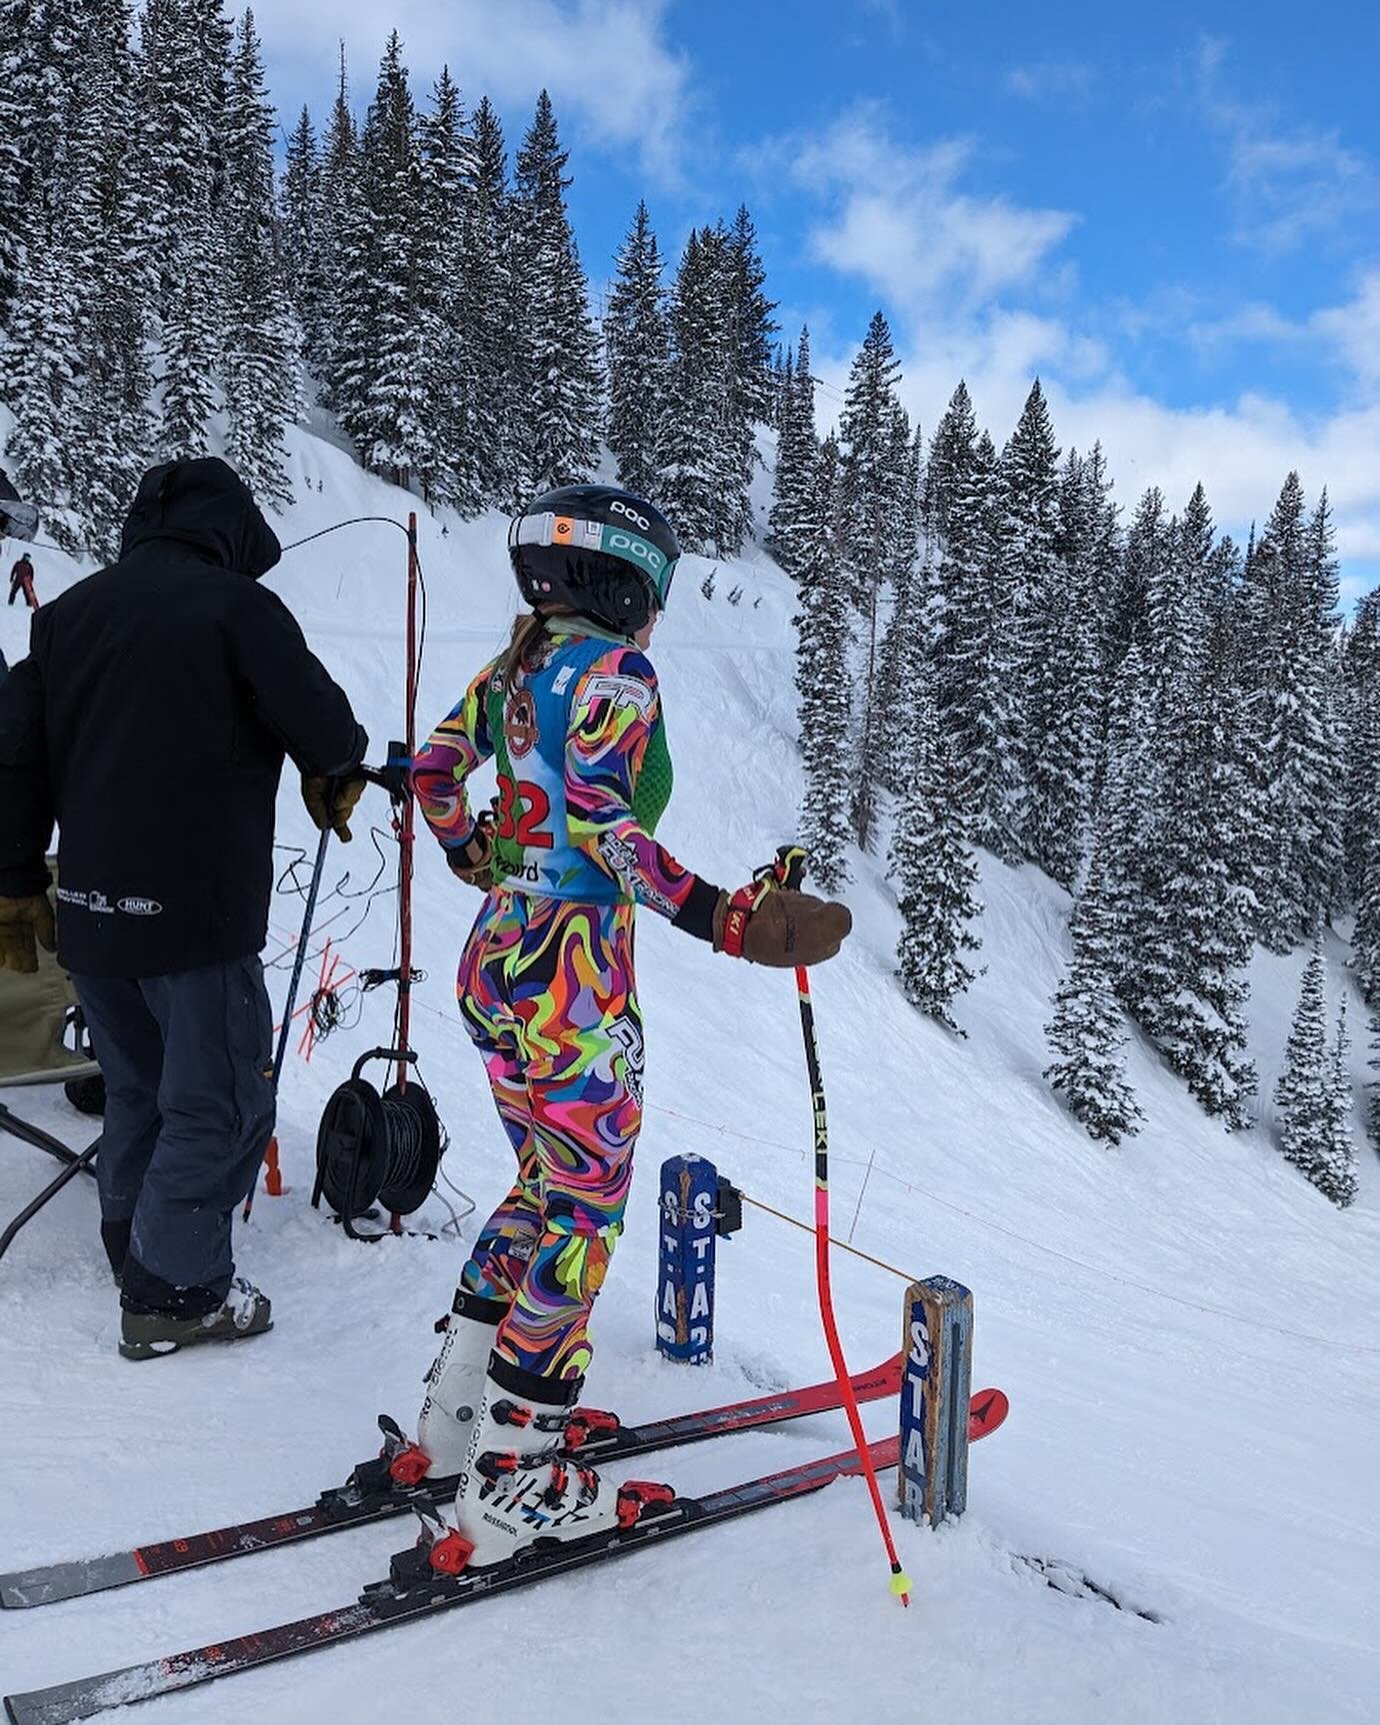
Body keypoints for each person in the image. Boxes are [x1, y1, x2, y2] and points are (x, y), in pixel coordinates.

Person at [402, 484, 852, 1573]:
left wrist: (478, 858)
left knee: (543, 1186)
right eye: (653, 594)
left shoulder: (518, 668)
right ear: (623, 587)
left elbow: (432, 773)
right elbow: (605, 829)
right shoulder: (616, 673)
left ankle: (463, 1418)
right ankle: (516, 1475)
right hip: (571, 984)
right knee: (586, 1209)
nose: (656, 618)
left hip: (495, 961)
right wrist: (726, 918)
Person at [0, 456, 368, 1360]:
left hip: (86, 915)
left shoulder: (66, 618)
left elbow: (15, 757)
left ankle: (136, 1248)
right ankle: (176, 1293)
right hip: (195, 920)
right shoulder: (236, 607)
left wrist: (14, 878)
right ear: (232, 533)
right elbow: (326, 726)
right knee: (225, 1101)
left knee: (138, 1091)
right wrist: (334, 769)